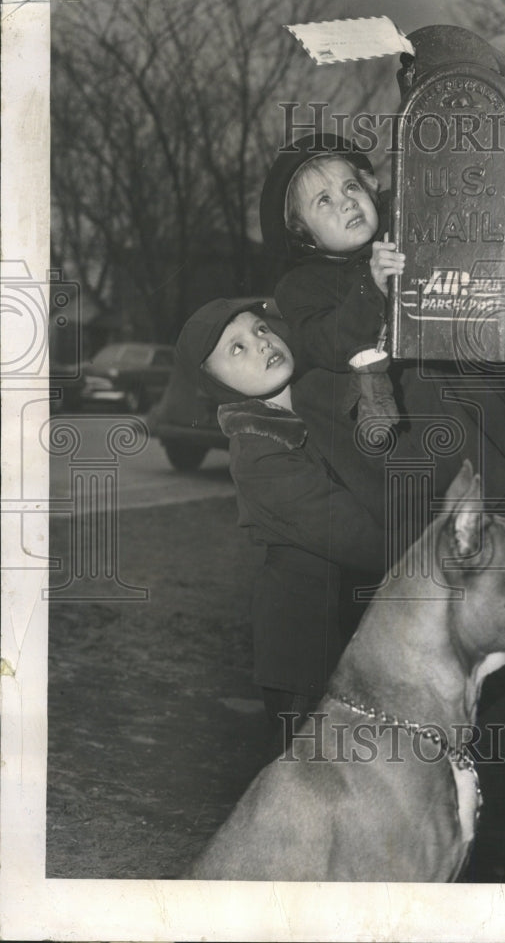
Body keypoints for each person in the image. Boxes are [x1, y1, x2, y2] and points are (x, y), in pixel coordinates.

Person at [174, 297, 386, 757]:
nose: (260, 344)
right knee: (311, 778)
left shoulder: (306, 405)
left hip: (349, 627)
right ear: (216, 384)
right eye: (236, 349)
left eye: (260, 330)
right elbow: (356, 537)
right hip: (305, 647)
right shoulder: (258, 451)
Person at [261, 133, 505, 506]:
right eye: (324, 201)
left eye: (351, 187)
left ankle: (495, 504)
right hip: (391, 429)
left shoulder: (404, 230)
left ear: (370, 189)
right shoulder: (301, 286)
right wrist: (371, 286)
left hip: (459, 400)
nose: (346, 202)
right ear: (304, 233)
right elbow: (325, 343)